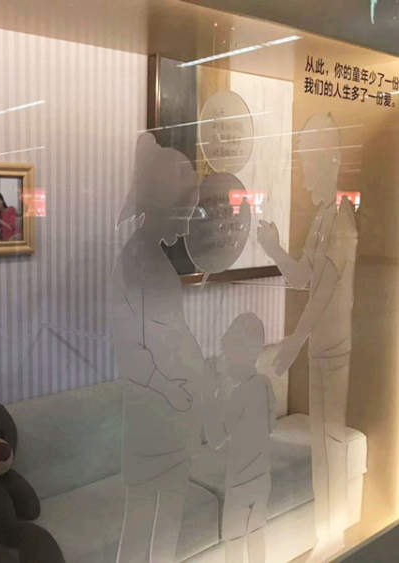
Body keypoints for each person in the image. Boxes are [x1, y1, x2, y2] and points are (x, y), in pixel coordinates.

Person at [112, 132, 219, 563]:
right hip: (155, 418)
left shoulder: (149, 258)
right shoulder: (138, 261)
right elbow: (133, 349)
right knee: (146, 526)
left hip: (170, 418)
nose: (187, 224)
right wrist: (171, 388)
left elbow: (171, 334)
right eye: (184, 213)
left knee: (160, 527)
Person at [257, 113, 358, 555]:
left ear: (331, 158)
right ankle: (327, 535)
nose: (303, 172)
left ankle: (334, 535)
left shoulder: (342, 219)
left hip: (332, 350)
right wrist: (273, 247)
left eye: (308, 160)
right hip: (320, 350)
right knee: (322, 444)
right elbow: (302, 279)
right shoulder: (322, 218)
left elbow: (322, 296)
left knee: (330, 442)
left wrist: (291, 346)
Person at [214, 313, 275, 563]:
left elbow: (217, 438)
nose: (226, 362)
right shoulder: (265, 384)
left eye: (228, 356)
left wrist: (217, 394)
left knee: (235, 543)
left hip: (239, 485)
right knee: (257, 535)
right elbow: (271, 425)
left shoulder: (237, 396)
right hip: (262, 478)